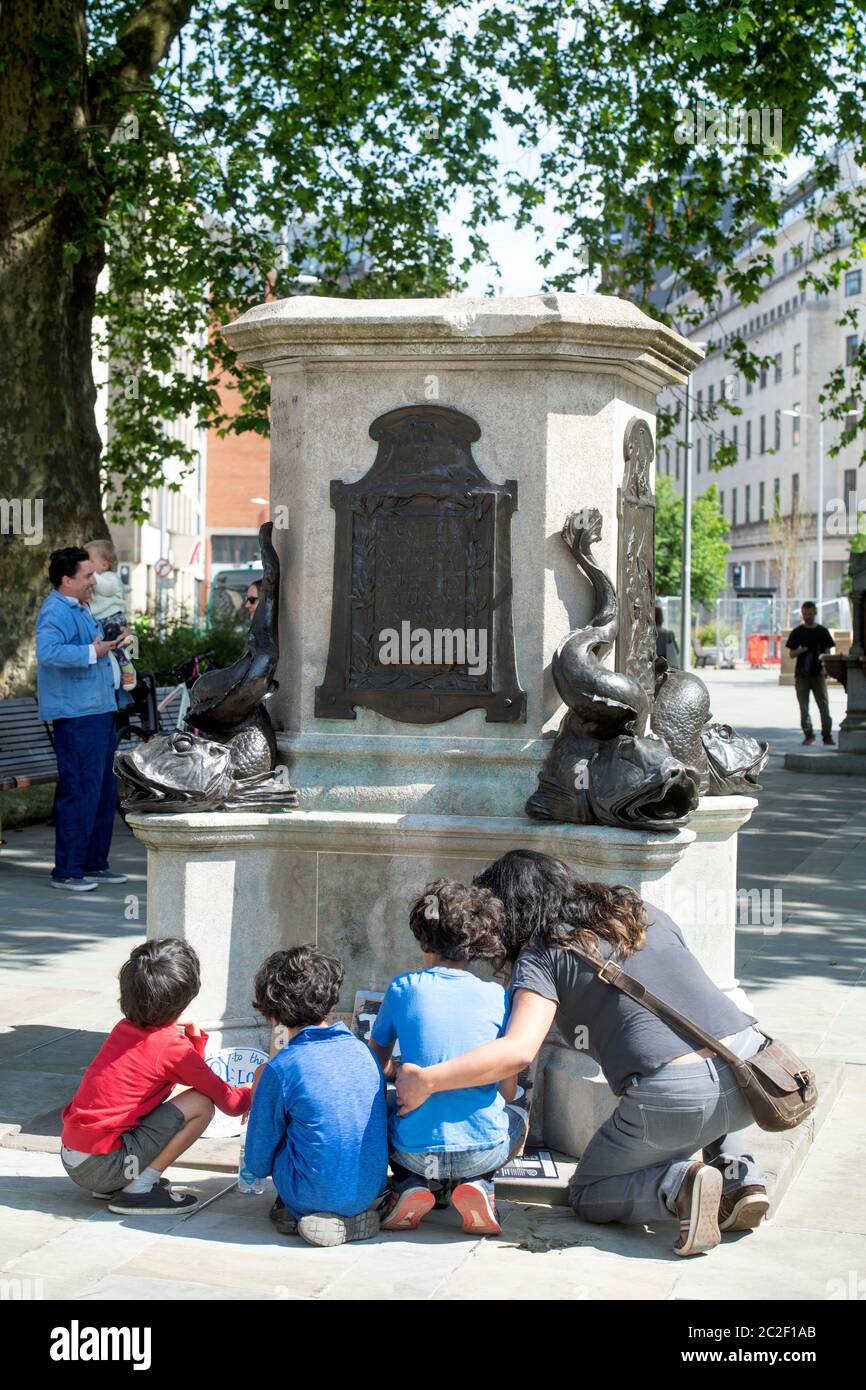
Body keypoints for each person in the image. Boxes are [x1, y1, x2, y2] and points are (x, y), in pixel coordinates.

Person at [396, 850, 770, 1258]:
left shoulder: (542, 953)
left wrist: (428, 1080)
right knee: (706, 1057)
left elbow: (518, 1051)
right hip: (749, 1065)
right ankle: (739, 1177)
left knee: (590, 1193)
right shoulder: (636, 910)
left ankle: (680, 1184)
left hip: (680, 1096)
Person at [369, 879, 528, 1237]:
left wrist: (399, 1079)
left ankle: (409, 1184)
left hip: (414, 1152)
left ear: (423, 939)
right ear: (477, 942)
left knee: (392, 1109)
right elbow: (505, 1090)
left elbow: (374, 1064)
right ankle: (480, 1184)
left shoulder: (402, 988)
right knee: (516, 1117)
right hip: (482, 1149)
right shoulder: (495, 995)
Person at [60, 938, 252, 1215]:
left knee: (180, 1101)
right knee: (200, 1104)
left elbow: (186, 1070)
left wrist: (192, 1031)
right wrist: (254, 1088)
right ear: (187, 994)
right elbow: (232, 1105)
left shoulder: (123, 1028)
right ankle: (139, 1190)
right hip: (102, 1165)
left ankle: (121, 1181)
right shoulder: (169, 1047)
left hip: (74, 1157)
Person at [245, 944, 388, 1248]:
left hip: (310, 1194)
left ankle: (300, 1211)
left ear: (272, 1010)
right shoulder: (363, 1052)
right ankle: (347, 1218)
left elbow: (257, 1162)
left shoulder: (281, 1066)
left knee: (281, 1132)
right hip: (368, 1189)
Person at [35, 547, 128, 891]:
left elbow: (92, 645)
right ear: (67, 580)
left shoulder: (79, 607)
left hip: (98, 710)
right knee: (80, 790)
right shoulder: (55, 611)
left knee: (103, 789)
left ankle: (93, 863)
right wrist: (94, 651)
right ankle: (68, 871)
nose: (93, 581)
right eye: (87, 576)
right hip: (77, 716)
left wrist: (112, 643)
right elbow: (48, 653)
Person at [85, 538, 137, 703]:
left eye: (90, 561)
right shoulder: (94, 580)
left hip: (113, 618)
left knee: (119, 646)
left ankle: (128, 669)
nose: (86, 565)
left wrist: (90, 573)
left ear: (104, 565)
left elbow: (105, 589)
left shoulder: (110, 578)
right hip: (101, 621)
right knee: (109, 650)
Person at [786, 601, 835, 745]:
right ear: (802, 613)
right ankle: (809, 735)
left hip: (818, 674)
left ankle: (827, 735)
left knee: (824, 706)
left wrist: (827, 669)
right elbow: (791, 654)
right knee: (804, 707)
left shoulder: (822, 631)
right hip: (802, 675)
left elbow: (828, 652)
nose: (807, 616)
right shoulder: (797, 632)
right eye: (805, 613)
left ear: (815, 613)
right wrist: (799, 650)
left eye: (810, 613)